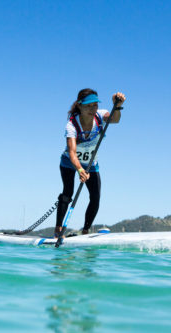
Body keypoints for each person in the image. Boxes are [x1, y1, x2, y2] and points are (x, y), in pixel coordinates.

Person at [54, 89, 124, 238]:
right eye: (88, 106)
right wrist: (79, 170)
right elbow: (72, 152)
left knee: (95, 196)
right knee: (68, 193)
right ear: (80, 106)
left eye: (95, 105)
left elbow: (115, 119)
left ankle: (85, 231)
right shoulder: (72, 125)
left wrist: (117, 106)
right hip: (69, 163)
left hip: (91, 164)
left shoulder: (100, 116)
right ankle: (58, 230)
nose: (93, 109)